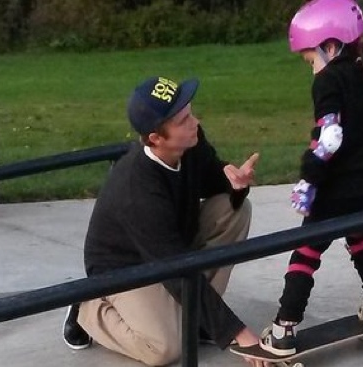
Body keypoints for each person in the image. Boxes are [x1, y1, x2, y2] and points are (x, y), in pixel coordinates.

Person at [61, 75, 266, 366]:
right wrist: (239, 333)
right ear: (156, 139)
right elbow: (174, 267)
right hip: (124, 267)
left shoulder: (190, 143)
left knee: (234, 210)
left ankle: (198, 320)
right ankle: (88, 308)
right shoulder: (137, 189)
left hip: (169, 245)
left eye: (191, 112)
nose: (194, 122)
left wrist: (234, 181)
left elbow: (209, 177)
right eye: (183, 120)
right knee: (165, 349)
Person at [256, 0, 363, 356]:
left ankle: (284, 329)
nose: (312, 68)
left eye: (310, 59)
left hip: (336, 188)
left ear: (330, 47)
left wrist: (308, 182)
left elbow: (330, 139)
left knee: (307, 250)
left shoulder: (330, 80)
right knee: (360, 236)